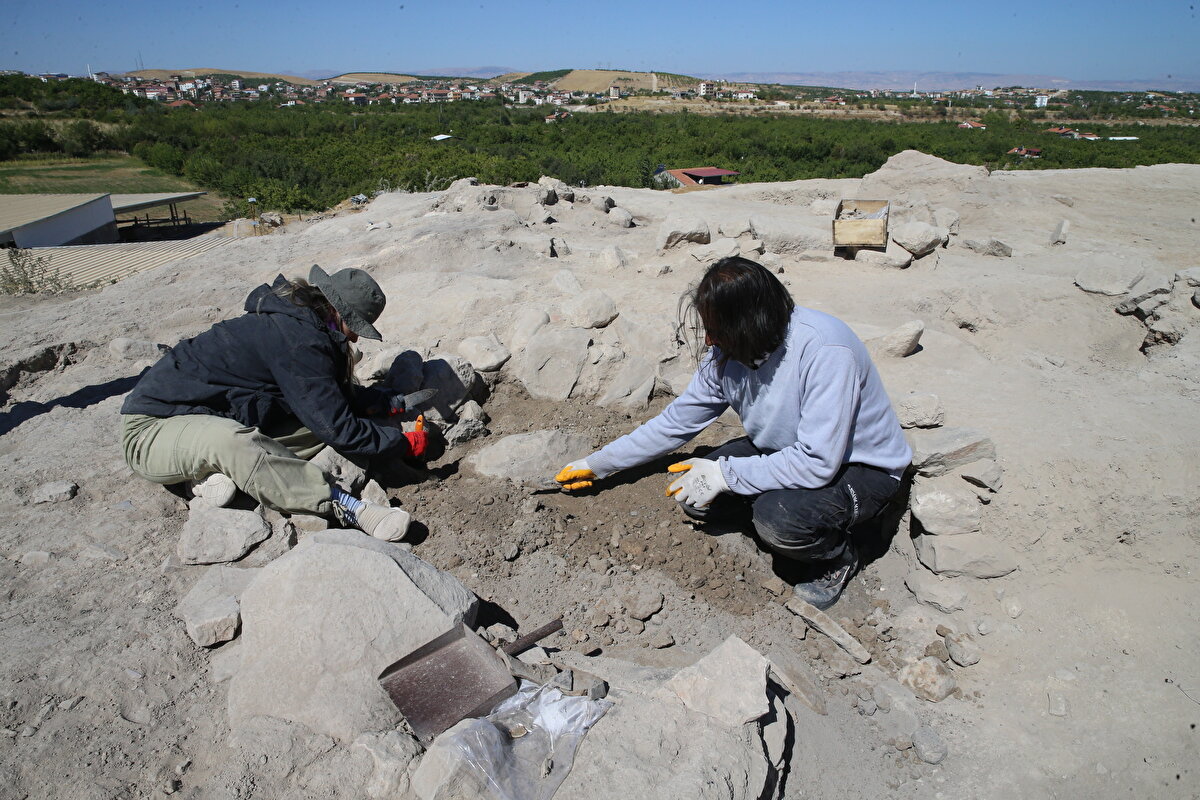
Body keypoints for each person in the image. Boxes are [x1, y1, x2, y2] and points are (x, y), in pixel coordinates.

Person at [555, 256, 912, 609]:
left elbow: (818, 461)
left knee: (781, 519)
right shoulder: (730, 352)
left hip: (859, 467)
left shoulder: (825, 349)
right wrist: (598, 463)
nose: (710, 340)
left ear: (751, 323)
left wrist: (727, 475)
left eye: (719, 330)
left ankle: (839, 555)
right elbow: (676, 422)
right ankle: (771, 522)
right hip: (784, 450)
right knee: (694, 495)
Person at [120, 265, 426, 542]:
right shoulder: (298, 340)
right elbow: (339, 428)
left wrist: (382, 403)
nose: (357, 340)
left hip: (209, 418)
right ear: (339, 312)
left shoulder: (305, 325)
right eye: (356, 328)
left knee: (310, 429)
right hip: (153, 431)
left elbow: (325, 400)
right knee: (235, 443)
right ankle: (345, 506)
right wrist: (399, 444)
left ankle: (205, 477)